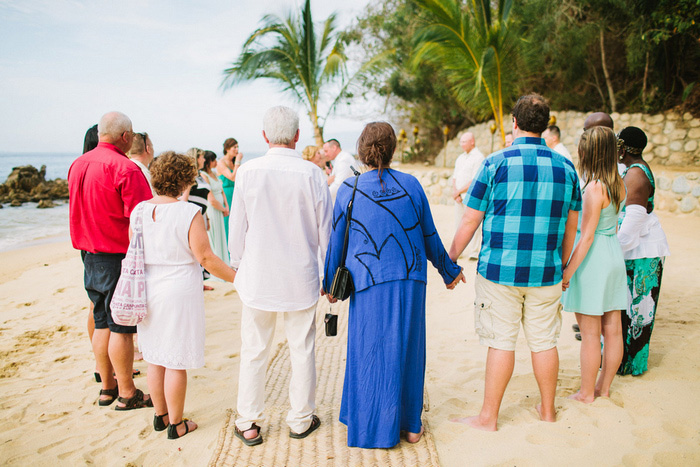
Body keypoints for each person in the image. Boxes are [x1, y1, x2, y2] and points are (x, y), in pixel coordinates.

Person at [323, 122, 465, 448]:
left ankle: (370, 427)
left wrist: (331, 284)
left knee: (369, 350)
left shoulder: (349, 188)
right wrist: (448, 270)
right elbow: (428, 233)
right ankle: (411, 426)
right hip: (411, 277)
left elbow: (337, 241)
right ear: (393, 148)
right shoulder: (412, 185)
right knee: (409, 347)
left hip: (368, 279)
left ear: (362, 149)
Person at [449, 94, 581, 430]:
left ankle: (488, 417)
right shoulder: (566, 168)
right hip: (547, 272)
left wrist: (449, 260)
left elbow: (469, 221)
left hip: (499, 271)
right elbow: (571, 228)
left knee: (500, 342)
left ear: (514, 122)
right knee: (544, 342)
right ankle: (548, 411)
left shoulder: (494, 164)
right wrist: (563, 267)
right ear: (544, 125)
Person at [228, 106, 332, 446]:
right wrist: (326, 271)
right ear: (297, 135)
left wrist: (239, 265)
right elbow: (325, 231)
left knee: (254, 348)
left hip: (258, 274)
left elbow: (237, 229)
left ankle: (249, 422)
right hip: (300, 274)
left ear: (264, 136)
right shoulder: (313, 174)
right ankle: (301, 419)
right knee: (302, 348)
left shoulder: (247, 171)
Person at [136, 151, 236, 439]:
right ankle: (176, 424)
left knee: (154, 356)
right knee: (175, 359)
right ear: (183, 179)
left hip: (148, 287)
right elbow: (205, 258)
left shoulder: (139, 210)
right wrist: (236, 278)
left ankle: (160, 414)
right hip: (177, 290)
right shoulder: (188, 211)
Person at [68, 111, 153, 409]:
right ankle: (127, 392)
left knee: (102, 321)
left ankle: (107, 388)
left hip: (88, 254)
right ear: (126, 137)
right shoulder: (125, 168)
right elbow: (142, 218)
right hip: (116, 255)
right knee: (121, 327)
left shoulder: (77, 165)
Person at [561, 127, 627, 402]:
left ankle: (587, 392)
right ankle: (604, 387)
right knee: (613, 329)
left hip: (595, 259)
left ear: (588, 152)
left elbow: (586, 238)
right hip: (614, 254)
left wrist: (567, 273)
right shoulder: (618, 184)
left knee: (589, 334)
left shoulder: (594, 188)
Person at [616, 126, 670, 376]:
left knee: (640, 312)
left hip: (643, 252)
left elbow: (631, 226)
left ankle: (633, 365)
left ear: (624, 147)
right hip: (637, 250)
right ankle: (624, 361)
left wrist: (611, 251)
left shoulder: (635, 176)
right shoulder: (633, 170)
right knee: (629, 310)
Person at [183, 148, 214, 290]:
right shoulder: (190, 177)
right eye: (201, 157)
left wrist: (206, 217)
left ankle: (200, 281)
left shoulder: (201, 176)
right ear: (196, 158)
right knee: (194, 249)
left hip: (201, 215)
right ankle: (195, 282)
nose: (204, 159)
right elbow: (184, 198)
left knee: (201, 248)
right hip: (192, 216)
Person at [452, 132, 485, 259]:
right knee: (458, 223)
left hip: (470, 195)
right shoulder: (460, 158)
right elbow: (455, 177)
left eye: (464, 142)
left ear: (472, 141)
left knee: (473, 223)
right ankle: (458, 251)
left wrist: (459, 191)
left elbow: (474, 180)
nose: (461, 144)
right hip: (458, 196)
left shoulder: (479, 157)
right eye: (461, 142)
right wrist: (456, 192)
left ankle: (474, 251)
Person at [200, 150, 230, 265]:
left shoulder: (215, 174)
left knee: (221, 236)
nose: (216, 162)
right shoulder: (204, 176)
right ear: (208, 162)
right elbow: (211, 200)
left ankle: (224, 262)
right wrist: (223, 209)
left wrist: (226, 206)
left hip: (221, 209)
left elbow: (222, 191)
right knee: (215, 237)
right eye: (214, 160)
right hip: (213, 210)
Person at [217, 138, 243, 240]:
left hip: (236, 192)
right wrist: (238, 161)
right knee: (227, 222)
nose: (237, 149)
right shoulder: (221, 162)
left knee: (237, 221)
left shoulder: (233, 161)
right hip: (226, 193)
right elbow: (232, 177)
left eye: (237, 147)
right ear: (227, 149)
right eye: (234, 147)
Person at [323, 138, 357, 203]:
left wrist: (322, 195)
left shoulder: (344, 160)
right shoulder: (340, 159)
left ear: (334, 147)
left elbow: (338, 185)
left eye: (326, 151)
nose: (325, 154)